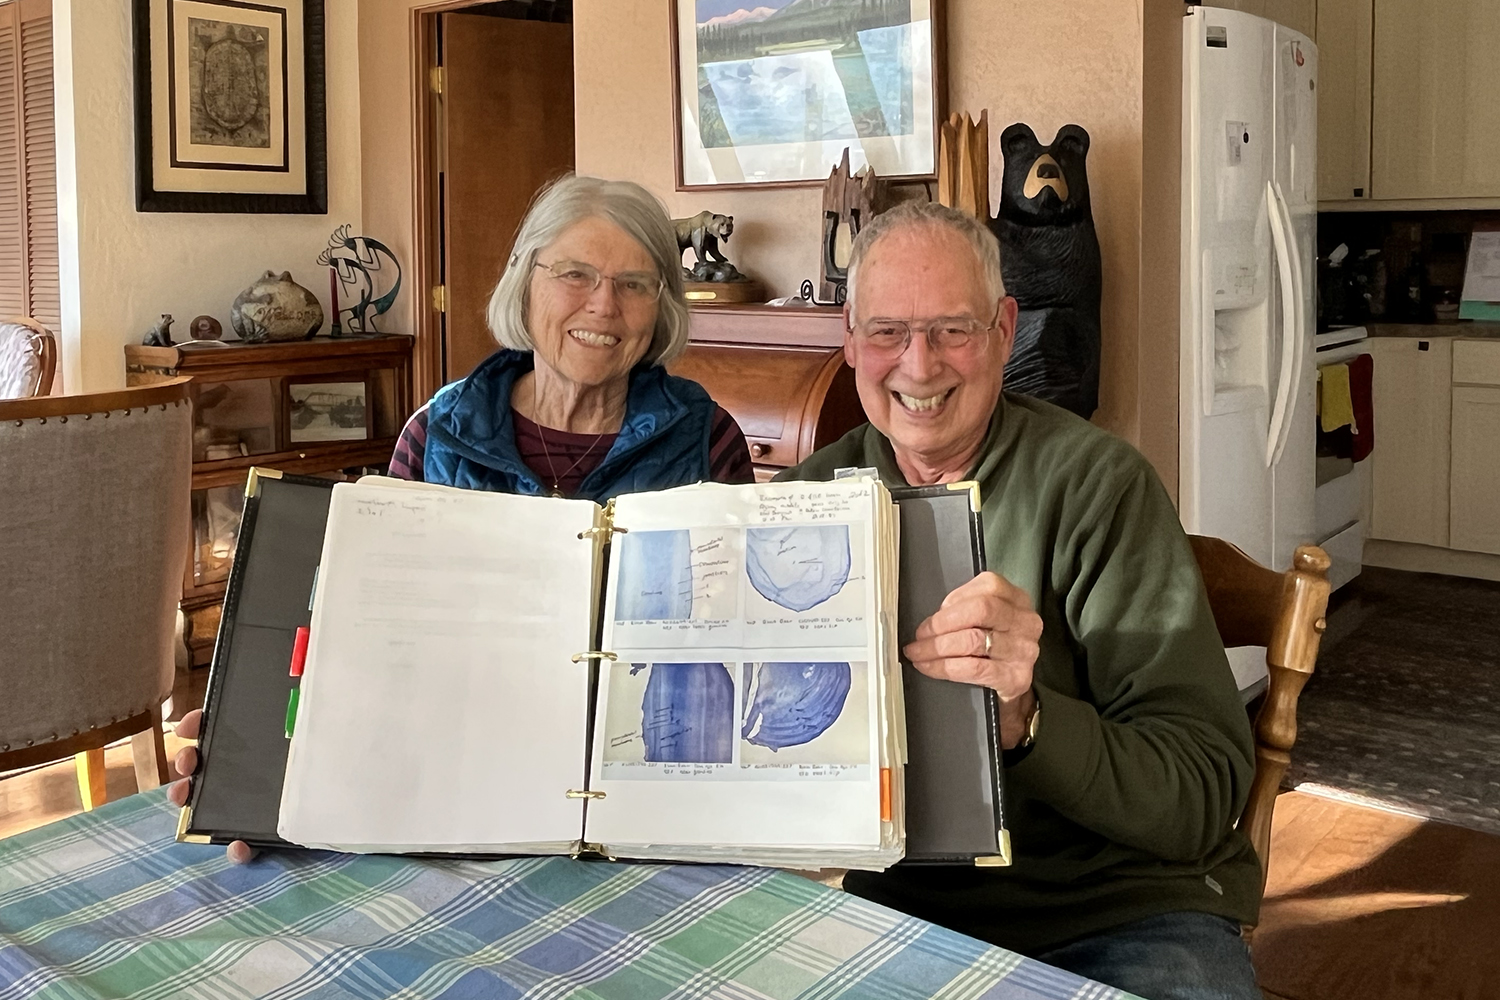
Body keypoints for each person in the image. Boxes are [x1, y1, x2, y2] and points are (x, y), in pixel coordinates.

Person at [168, 175, 755, 860]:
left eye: (635, 283)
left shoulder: (705, 438)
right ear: (524, 281)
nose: (604, 305)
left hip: (650, 804)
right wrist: (271, 767)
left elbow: (742, 645)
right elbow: (367, 643)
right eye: (575, 274)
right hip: (457, 796)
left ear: (662, 306)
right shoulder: (438, 434)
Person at [777, 200, 1263, 1000]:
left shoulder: (1098, 487)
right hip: (891, 905)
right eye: (889, 331)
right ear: (852, 341)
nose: (920, 364)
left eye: (952, 330)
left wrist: (1025, 718)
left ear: (1005, 331)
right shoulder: (803, 504)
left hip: (1115, 910)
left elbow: (1201, 792)